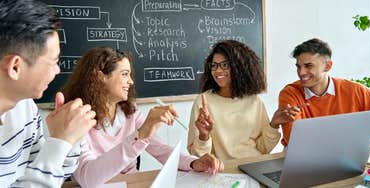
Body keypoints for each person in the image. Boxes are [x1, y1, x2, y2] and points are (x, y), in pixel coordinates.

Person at [61, 47, 224, 187]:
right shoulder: (76, 118)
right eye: (124, 74)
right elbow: (88, 179)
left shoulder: (130, 113)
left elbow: (162, 151)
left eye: (130, 74)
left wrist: (194, 162)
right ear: (100, 76)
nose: (131, 81)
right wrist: (141, 135)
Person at [0, 0, 97, 187]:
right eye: (53, 61)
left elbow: (48, 174)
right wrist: (60, 141)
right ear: (15, 67)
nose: (58, 70)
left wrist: (68, 139)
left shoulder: (25, 106)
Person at [269, 38, 370, 146]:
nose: (301, 72)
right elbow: (296, 143)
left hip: (348, 151)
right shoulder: (290, 93)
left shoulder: (356, 91)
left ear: (327, 66)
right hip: (305, 156)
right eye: (298, 66)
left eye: (308, 66)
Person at [187, 40, 281, 160]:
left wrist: (274, 125)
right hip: (221, 172)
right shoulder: (203, 102)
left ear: (239, 68)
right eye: (214, 65)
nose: (218, 71)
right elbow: (197, 156)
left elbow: (263, 149)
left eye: (225, 65)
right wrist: (203, 135)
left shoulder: (254, 101)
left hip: (253, 166)